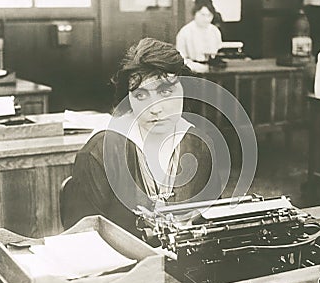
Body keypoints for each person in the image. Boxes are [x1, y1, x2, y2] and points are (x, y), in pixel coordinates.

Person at [61, 38, 222, 236]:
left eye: (165, 92)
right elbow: (81, 243)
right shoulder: (99, 153)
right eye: (141, 95)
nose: (155, 108)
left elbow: (213, 223)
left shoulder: (199, 145)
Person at [176, 0, 222, 71]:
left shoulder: (215, 31)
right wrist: (195, 67)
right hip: (193, 70)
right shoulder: (185, 32)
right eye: (202, 15)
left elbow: (219, 53)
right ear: (195, 14)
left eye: (209, 15)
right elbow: (180, 59)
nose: (206, 19)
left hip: (213, 69)